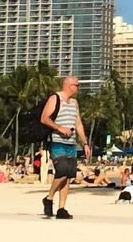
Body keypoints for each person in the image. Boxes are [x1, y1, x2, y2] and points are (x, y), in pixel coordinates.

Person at [37, 74, 89, 220]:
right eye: (76, 85)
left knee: (67, 177)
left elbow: (78, 124)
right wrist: (59, 128)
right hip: (57, 141)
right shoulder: (55, 98)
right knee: (62, 171)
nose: (78, 88)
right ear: (68, 85)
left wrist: (85, 143)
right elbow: (44, 118)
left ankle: (61, 208)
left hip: (71, 143)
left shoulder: (74, 103)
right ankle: (49, 197)